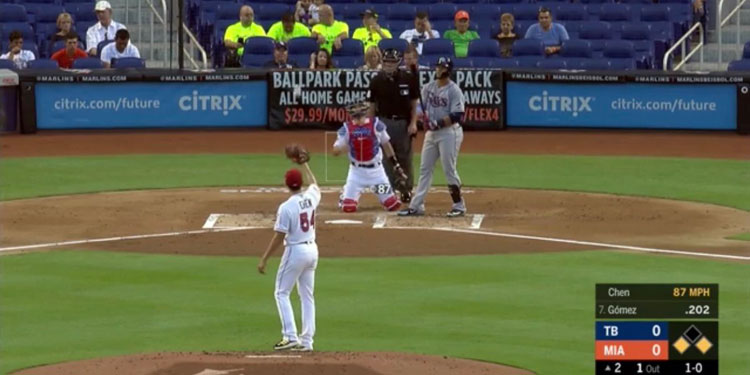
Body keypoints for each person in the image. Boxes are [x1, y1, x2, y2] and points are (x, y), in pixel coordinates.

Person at [257, 160, 320, 353]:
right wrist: (306, 164)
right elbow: (315, 184)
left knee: (281, 292)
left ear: (286, 184)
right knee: (307, 296)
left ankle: (290, 336)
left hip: (296, 252)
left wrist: (265, 258)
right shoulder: (311, 197)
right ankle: (307, 341)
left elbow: (279, 236)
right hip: (312, 250)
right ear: (301, 184)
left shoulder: (286, 207)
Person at [398, 57, 466, 218]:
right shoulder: (429, 87)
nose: (438, 69)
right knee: (425, 168)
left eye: (441, 67)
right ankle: (417, 206)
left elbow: (458, 115)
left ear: (447, 71)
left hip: (450, 133)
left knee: (449, 169)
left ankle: (459, 205)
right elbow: (420, 108)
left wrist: (437, 123)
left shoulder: (454, 90)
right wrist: (422, 118)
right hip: (432, 134)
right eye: (437, 66)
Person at [332, 101, 405, 213]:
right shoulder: (346, 129)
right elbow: (335, 150)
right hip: (356, 173)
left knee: (392, 205)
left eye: (360, 116)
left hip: (377, 173)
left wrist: (396, 164)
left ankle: (381, 191)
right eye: (355, 117)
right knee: (348, 207)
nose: (358, 119)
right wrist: (344, 146)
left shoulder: (376, 124)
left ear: (365, 114)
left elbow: (386, 144)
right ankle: (346, 194)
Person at [368, 49, 419, 203]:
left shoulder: (408, 78)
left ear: (398, 63)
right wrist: (371, 125)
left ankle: (406, 190)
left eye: (392, 62)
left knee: (404, 158)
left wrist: (413, 122)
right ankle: (388, 191)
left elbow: (414, 103)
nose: (389, 65)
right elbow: (371, 105)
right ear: (382, 63)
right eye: (386, 62)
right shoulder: (376, 81)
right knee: (385, 159)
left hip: (403, 122)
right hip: (383, 122)